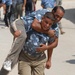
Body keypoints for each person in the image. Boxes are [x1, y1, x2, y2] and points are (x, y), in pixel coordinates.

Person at [0, 6, 65, 75]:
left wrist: (48, 54)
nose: (58, 19)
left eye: (60, 17)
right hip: (25, 57)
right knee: (11, 62)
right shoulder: (39, 16)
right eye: (57, 16)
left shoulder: (54, 27)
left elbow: (54, 42)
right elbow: (33, 25)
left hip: (39, 59)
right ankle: (8, 62)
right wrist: (48, 32)